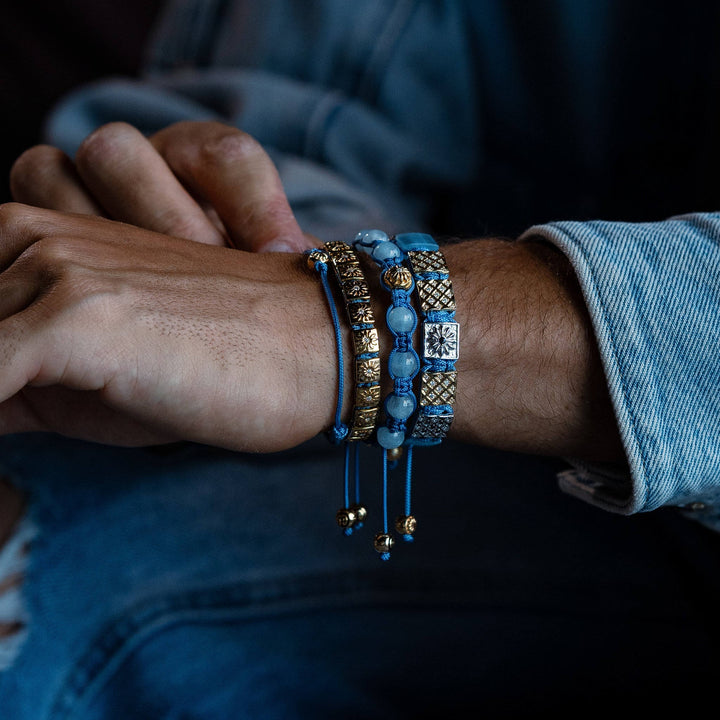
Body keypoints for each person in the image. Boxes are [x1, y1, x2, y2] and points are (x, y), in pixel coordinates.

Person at [1, 1, 720, 716]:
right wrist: (217, 249)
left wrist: (348, 321)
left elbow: (321, 320)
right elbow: (301, 114)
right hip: (494, 479)